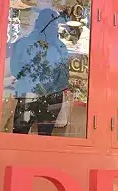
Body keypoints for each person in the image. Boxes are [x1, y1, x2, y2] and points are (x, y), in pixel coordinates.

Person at [9, 8, 71, 136]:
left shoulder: (23, 43)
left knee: (19, 137)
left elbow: (15, 70)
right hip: (50, 96)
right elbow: (63, 78)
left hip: (29, 94)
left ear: (37, 23)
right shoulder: (60, 48)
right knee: (43, 139)